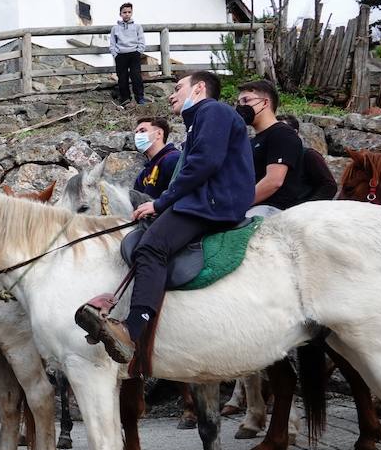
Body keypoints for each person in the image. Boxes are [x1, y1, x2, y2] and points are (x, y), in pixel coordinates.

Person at [77, 71, 253, 364]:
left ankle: (132, 332)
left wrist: (162, 203)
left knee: (151, 246)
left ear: (199, 89)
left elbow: (204, 164)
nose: (172, 94)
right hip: (205, 201)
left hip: (211, 204)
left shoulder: (213, 111)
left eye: (177, 87)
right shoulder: (201, 120)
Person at [236, 79, 307, 218]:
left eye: (246, 100)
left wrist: (238, 204)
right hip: (254, 207)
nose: (240, 107)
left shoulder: (282, 134)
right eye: (239, 103)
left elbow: (274, 181)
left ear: (265, 102)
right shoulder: (253, 140)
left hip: (272, 210)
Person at [131, 116, 181, 199]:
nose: (138, 136)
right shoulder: (143, 175)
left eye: (143, 131)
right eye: (136, 133)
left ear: (159, 134)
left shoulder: (174, 160)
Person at [109, 2, 147, 106]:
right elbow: (112, 43)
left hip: (134, 54)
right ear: (120, 14)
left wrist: (138, 52)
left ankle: (140, 98)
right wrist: (115, 54)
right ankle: (125, 99)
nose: (127, 14)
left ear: (132, 13)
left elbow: (141, 41)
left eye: (129, 12)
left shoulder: (137, 27)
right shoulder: (115, 28)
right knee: (122, 77)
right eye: (124, 12)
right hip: (120, 55)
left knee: (136, 76)